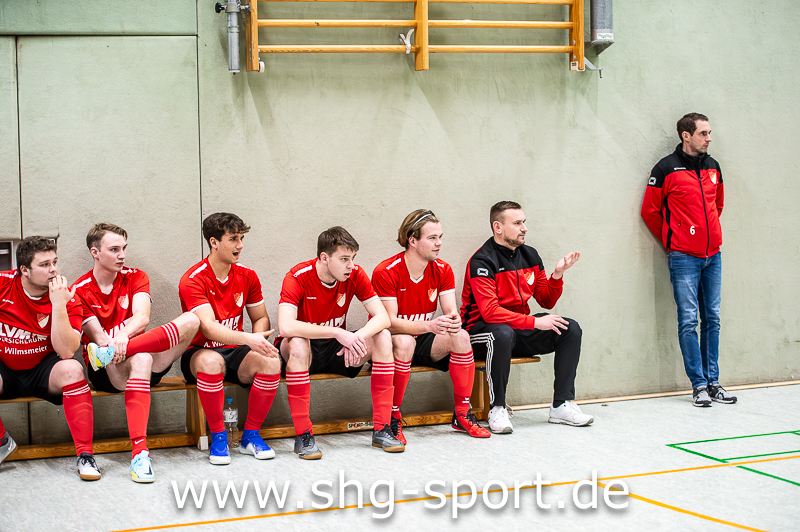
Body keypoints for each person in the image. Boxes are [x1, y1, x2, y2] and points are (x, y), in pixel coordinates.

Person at [71, 223, 200, 482]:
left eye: (124, 248)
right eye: (114, 249)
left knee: (192, 320)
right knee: (138, 357)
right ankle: (140, 454)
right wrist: (114, 346)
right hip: (107, 370)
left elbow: (142, 317)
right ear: (95, 252)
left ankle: (128, 350)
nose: (122, 255)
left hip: (141, 359)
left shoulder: (136, 276)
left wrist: (123, 339)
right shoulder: (80, 290)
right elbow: (98, 338)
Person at [460, 201, 593, 434]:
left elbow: (546, 301)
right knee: (501, 333)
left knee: (569, 329)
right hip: (480, 334)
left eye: (524, 222)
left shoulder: (530, 255)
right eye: (517, 223)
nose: (524, 228)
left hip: (515, 330)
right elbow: (490, 312)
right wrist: (536, 322)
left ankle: (561, 405)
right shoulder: (482, 261)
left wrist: (557, 275)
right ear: (498, 227)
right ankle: (497, 408)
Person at [277, 226, 403, 458]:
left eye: (353, 258)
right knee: (298, 343)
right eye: (344, 259)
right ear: (324, 258)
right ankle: (303, 436)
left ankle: (382, 429)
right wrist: (336, 332)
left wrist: (358, 337)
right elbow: (285, 326)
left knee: (383, 337)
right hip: (304, 350)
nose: (351, 265)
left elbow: (383, 318)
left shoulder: (355, 274)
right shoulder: (297, 276)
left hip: (337, 351)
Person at [641, 113, 736, 407]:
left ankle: (714, 382)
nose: (709, 138)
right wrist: (675, 241)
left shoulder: (713, 167)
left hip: (713, 255)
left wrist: (707, 234)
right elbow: (649, 211)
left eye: (709, 133)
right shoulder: (666, 168)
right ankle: (699, 386)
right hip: (683, 257)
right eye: (703, 133)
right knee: (688, 321)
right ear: (686, 135)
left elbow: (717, 205)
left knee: (713, 319)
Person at [373, 210, 490, 443]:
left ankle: (462, 414)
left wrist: (454, 322)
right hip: (392, 341)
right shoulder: (386, 271)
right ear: (412, 240)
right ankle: (393, 417)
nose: (439, 243)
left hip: (425, 337)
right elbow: (389, 323)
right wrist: (429, 326)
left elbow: (451, 311)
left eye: (440, 237)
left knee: (461, 337)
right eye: (432, 238)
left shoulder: (442, 269)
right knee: (405, 341)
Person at [179, 213, 281, 465]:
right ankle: (219, 437)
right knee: (211, 362)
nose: (240, 245)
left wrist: (258, 338)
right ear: (214, 242)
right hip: (199, 351)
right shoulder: (193, 279)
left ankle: (251, 436)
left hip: (236, 350)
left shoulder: (247, 275)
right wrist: (248, 339)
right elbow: (209, 328)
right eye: (233, 239)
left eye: (242, 238)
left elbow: (261, 317)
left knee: (271, 361)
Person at [0, 236, 99, 479]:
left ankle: (85, 456)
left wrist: (58, 305)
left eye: (54, 262)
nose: (53, 269)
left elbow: (66, 351)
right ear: (24, 270)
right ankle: (2, 441)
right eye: (44, 265)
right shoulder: (3, 284)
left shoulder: (68, 297)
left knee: (73, 369)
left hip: (43, 369)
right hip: (5, 369)